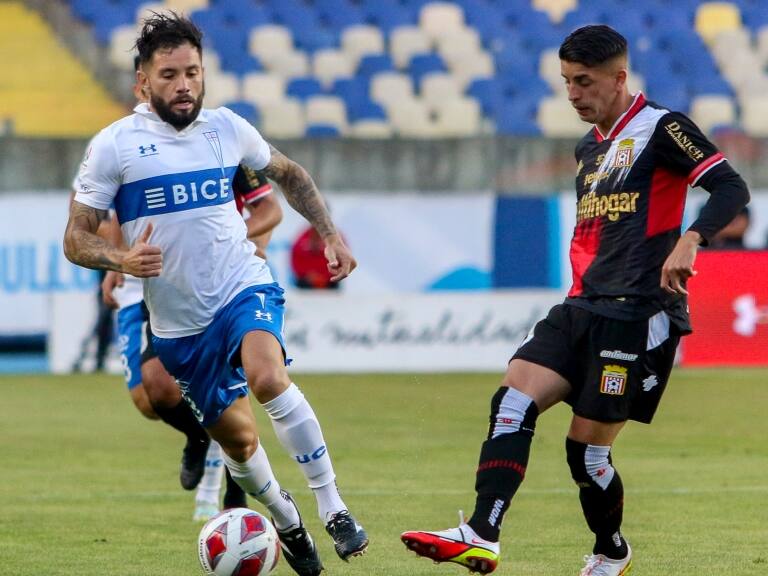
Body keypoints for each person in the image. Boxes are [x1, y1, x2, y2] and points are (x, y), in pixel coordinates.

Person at [401, 25, 750, 576]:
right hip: (580, 306)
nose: (572, 94)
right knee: (512, 400)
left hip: (638, 314)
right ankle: (481, 533)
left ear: (619, 78)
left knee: (586, 455)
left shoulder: (664, 128)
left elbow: (731, 186)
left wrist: (692, 237)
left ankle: (611, 550)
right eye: (565, 82)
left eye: (583, 82)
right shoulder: (587, 148)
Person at [63, 13, 367, 576]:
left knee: (269, 377)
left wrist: (329, 234)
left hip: (240, 284)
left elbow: (291, 176)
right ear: (142, 83)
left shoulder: (227, 128)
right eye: (170, 74)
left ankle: (335, 507)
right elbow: (75, 237)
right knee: (240, 444)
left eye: (193, 73)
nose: (184, 85)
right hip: (178, 327)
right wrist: (120, 258)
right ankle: (286, 518)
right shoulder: (115, 147)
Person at [290, 224, 344, 290]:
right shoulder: (301, 241)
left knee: (335, 282)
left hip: (329, 281)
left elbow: (343, 260)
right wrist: (309, 276)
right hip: (307, 281)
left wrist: (325, 277)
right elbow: (296, 262)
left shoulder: (335, 238)